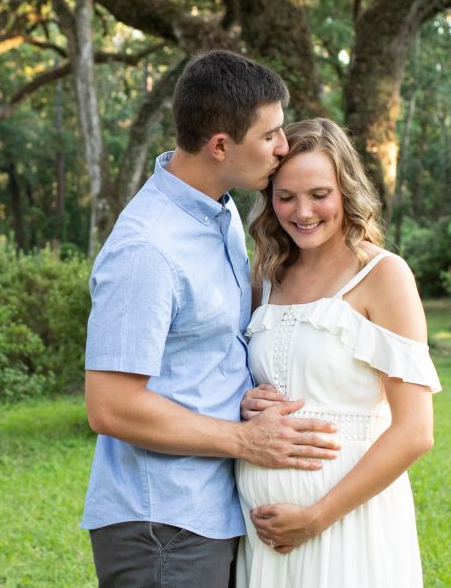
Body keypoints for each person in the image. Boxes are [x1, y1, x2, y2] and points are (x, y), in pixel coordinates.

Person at [80, 50, 341, 587]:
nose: (283, 146)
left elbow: (203, 350)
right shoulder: (147, 249)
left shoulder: (216, 211)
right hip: (161, 526)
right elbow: (110, 406)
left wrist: (243, 390)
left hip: (210, 513)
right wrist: (245, 439)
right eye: (270, 135)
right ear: (221, 145)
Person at [234, 118, 441, 587]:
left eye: (319, 194)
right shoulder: (265, 276)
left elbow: (415, 431)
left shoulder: (384, 275)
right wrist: (243, 402)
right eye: (285, 197)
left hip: (346, 521)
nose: (302, 211)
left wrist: (315, 517)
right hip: (262, 529)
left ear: (346, 190)